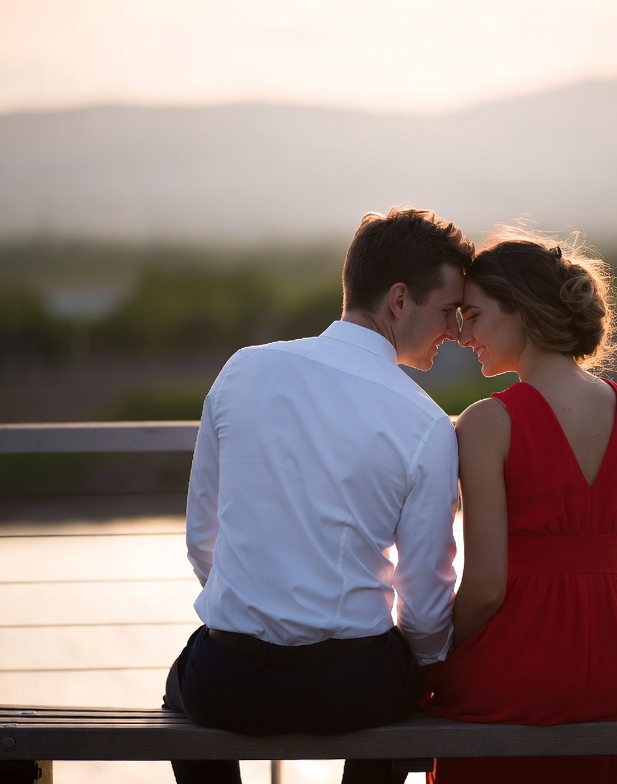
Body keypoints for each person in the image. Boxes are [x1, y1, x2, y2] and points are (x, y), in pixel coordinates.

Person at [164, 207, 474, 784]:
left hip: (230, 681)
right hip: (353, 687)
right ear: (399, 301)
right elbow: (427, 597)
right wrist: (426, 662)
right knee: (406, 675)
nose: (456, 332)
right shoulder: (427, 424)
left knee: (182, 683)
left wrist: (258, 609)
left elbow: (200, 540)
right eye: (448, 311)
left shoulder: (242, 371)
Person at [421, 227, 617, 783]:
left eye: (475, 316)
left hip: (525, 667)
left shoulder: (488, 422)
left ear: (524, 315)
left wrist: (433, 657)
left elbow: (485, 587)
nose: (463, 335)